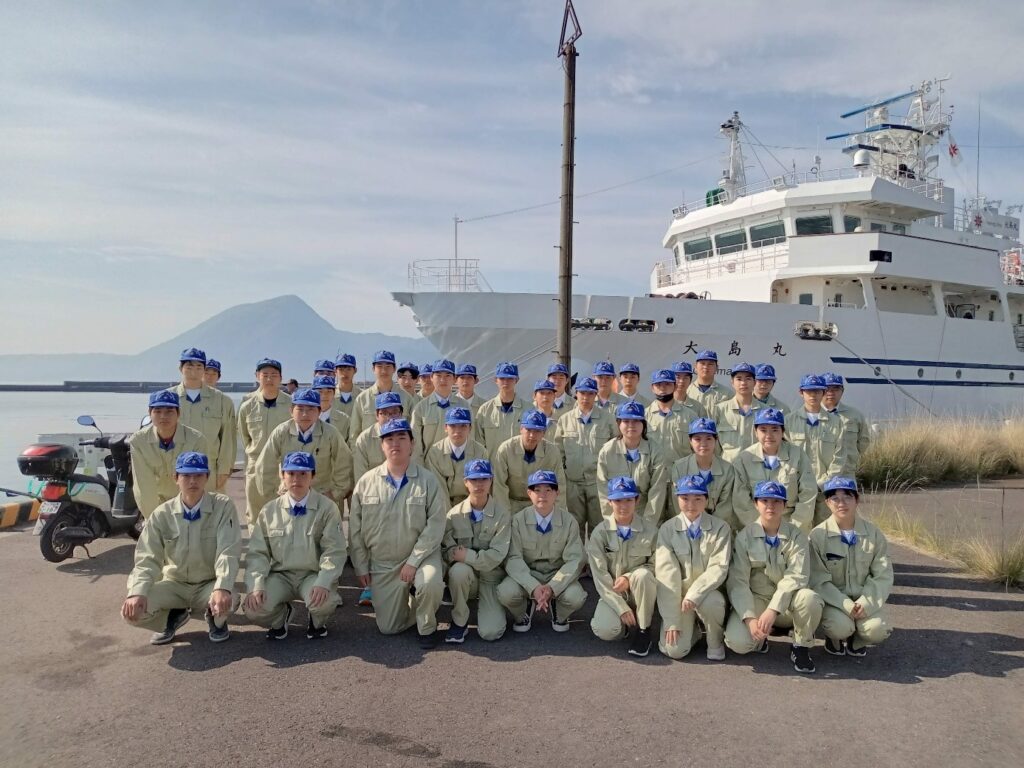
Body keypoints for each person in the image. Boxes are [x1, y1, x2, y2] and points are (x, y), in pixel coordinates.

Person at [121, 452, 240, 645]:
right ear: (175, 478)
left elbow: (228, 550)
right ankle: (171, 618)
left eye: (198, 475)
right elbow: (147, 558)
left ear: (207, 477)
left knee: (230, 598)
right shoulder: (161, 514)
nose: (192, 481)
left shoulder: (222, 506)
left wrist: (222, 587)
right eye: (186, 475)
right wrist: (137, 592)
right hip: (174, 585)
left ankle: (215, 618)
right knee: (132, 612)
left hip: (207, 585)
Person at [349, 419, 446, 648]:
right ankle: (414, 600)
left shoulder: (428, 480)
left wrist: (413, 562)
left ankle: (427, 626)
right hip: (384, 564)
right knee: (389, 628)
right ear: (382, 446)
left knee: (430, 582)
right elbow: (355, 530)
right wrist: (361, 566)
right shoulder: (366, 483)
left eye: (402, 438)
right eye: (389, 439)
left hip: (420, 558)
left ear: (412, 444)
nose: (395, 443)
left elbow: (436, 525)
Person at [243, 451, 347, 640]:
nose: (296, 479)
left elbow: (334, 551)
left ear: (312, 476)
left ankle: (317, 621)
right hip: (280, 576)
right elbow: (258, 553)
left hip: (312, 575)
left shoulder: (327, 508)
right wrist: (256, 585)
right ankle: (280, 618)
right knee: (254, 608)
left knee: (324, 602)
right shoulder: (269, 511)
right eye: (291, 473)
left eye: (303, 474)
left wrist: (324, 582)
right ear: (282, 475)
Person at [725, 480, 823, 674]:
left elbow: (797, 577)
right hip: (758, 599)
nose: (771, 506)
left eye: (777, 501)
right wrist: (749, 618)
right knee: (737, 642)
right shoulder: (745, 537)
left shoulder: (797, 536)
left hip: (788, 603)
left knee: (809, 598)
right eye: (765, 501)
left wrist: (773, 609)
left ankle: (801, 646)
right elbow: (738, 581)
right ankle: (760, 639)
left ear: (785, 505)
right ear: (756, 504)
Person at [809, 476, 893, 657]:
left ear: (857, 500)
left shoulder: (874, 534)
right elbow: (818, 580)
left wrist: (866, 603)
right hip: (835, 602)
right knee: (839, 627)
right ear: (827, 503)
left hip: (865, 599)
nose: (842, 503)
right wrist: (845, 604)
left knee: (878, 630)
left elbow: (883, 575)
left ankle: (858, 639)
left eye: (847, 497)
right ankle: (834, 639)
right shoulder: (817, 536)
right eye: (835, 498)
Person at [498, 470, 586, 634]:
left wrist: (553, 587)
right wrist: (533, 587)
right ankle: (523, 612)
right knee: (506, 592)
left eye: (548, 490)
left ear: (557, 493)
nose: (542, 495)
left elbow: (575, 560)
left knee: (575, 597)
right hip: (528, 575)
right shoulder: (517, 521)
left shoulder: (569, 521)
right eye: (537, 490)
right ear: (529, 493)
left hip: (556, 575)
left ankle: (559, 613)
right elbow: (513, 558)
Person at [656, 475, 732, 660]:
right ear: (677, 499)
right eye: (685, 498)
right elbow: (666, 575)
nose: (691, 504)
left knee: (712, 602)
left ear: (706, 500)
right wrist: (672, 620)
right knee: (674, 650)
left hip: (708, 593)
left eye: (698, 498)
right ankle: (694, 632)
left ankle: (715, 641)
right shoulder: (667, 529)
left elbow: (718, 568)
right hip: (680, 597)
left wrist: (694, 594)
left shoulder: (721, 528)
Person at [442, 459, 512, 643]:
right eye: (474, 479)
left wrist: (467, 556)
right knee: (458, 571)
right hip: (467, 578)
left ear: (491, 480)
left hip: (491, 578)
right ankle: (459, 621)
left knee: (491, 633)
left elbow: (497, 555)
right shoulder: (453, 515)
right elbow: (447, 549)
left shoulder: (502, 515)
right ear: (466, 482)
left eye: (484, 479)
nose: (479, 484)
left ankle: (491, 607)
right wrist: (454, 555)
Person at [587, 477, 658, 657]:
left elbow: (657, 565)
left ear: (637, 500)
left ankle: (644, 630)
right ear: (609, 502)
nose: (623, 505)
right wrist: (620, 607)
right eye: (618, 500)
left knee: (642, 575)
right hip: (614, 592)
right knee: (605, 630)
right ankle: (624, 625)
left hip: (642, 592)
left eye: (628, 500)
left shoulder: (651, 531)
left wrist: (629, 577)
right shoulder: (600, 533)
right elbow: (600, 576)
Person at [255, 388, 354, 505]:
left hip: (321, 496)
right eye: (300, 409)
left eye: (311, 409)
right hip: (289, 495)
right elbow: (264, 465)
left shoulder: (330, 433)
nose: (305, 414)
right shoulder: (281, 432)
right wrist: (273, 497)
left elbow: (345, 463)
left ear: (319, 412)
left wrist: (335, 493)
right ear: (291, 411)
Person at [732, 408, 817, 533]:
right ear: (755, 432)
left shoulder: (798, 455)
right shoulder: (743, 459)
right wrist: (759, 528)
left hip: (792, 522)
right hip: (755, 526)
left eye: (775, 430)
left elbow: (808, 494)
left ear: (783, 432)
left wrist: (792, 528)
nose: (769, 435)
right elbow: (741, 501)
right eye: (763, 430)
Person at [554, 376, 617, 539]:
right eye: (582, 393)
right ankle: (578, 555)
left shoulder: (607, 419)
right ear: (576, 394)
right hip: (573, 483)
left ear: (595, 395)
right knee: (575, 526)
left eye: (590, 393)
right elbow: (559, 451)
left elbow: (615, 448)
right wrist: (566, 472)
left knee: (599, 526)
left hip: (598, 482)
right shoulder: (565, 420)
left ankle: (597, 555)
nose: (585, 397)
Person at [129, 390, 208, 519]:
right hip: (155, 502)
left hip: (186, 502)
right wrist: (153, 518)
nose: (163, 416)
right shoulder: (138, 441)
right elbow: (144, 485)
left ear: (178, 413)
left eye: (169, 411)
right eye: (158, 411)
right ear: (150, 413)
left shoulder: (196, 440)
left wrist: (188, 514)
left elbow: (197, 482)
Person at [172, 347, 237, 492]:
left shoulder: (222, 400)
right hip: (175, 469)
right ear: (180, 368)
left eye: (198, 366)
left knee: (211, 505)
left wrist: (224, 470)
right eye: (189, 366)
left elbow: (228, 438)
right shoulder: (170, 398)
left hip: (209, 469)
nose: (194, 371)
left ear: (203, 369)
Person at [237, 358, 293, 525]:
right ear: (257, 376)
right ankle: (256, 542)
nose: (269, 379)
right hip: (255, 466)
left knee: (283, 514)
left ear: (281, 378)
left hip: (283, 466)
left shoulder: (291, 405)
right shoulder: (247, 406)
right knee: (255, 514)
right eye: (265, 375)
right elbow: (245, 437)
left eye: (274, 375)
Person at [787, 375, 847, 525]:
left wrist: (824, 482)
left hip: (825, 490)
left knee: (825, 529)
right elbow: (784, 454)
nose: (813, 395)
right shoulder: (789, 421)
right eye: (809, 391)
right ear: (801, 393)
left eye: (817, 391)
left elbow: (840, 457)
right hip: (797, 489)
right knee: (798, 528)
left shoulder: (836, 423)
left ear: (824, 393)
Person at [596, 401, 669, 524]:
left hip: (646, 512)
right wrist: (612, 522)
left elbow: (657, 490)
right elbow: (603, 489)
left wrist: (647, 524)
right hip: (617, 512)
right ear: (618, 424)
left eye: (636, 421)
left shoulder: (655, 450)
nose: (631, 425)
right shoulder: (607, 451)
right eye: (626, 421)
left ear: (643, 424)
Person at [669, 418, 740, 531]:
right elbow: (678, 504)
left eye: (708, 438)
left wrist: (709, 528)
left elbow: (725, 508)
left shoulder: (727, 469)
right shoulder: (679, 468)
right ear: (690, 441)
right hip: (686, 525)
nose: (703, 444)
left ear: (716, 440)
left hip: (717, 528)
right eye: (697, 439)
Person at [492, 410, 567, 512]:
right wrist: (504, 514)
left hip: (540, 504)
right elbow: (499, 486)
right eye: (528, 430)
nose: (532, 435)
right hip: (512, 503)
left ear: (544, 432)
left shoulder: (552, 452)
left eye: (537, 431)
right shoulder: (506, 449)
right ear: (521, 429)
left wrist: (556, 514)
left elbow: (559, 486)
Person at [424, 407, 488, 507]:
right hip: (442, 505)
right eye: (453, 426)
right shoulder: (435, 452)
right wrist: (450, 513)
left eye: (463, 426)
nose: (458, 431)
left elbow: (481, 488)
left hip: (472, 505)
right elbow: (438, 490)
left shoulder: (480, 452)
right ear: (446, 428)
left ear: (470, 428)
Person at [350, 350, 415, 438]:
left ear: (394, 369)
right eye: (379, 366)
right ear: (373, 369)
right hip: (370, 446)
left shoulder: (407, 399)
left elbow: (413, 433)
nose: (384, 371)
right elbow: (354, 435)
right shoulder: (362, 399)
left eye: (388, 366)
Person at [646, 368, 702, 464]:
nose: (663, 388)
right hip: (654, 471)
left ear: (675, 386)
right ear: (652, 388)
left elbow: (698, 447)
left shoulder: (690, 416)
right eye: (658, 384)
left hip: (682, 471)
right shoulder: (644, 416)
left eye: (667, 384)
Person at [475, 362, 529, 456]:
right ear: (496, 380)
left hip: (518, 464)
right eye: (502, 378)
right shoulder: (485, 410)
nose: (506, 382)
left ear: (516, 380)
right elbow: (478, 443)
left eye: (510, 378)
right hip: (493, 464)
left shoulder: (528, 410)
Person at [822, 373, 871, 475]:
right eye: (827, 389)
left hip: (846, 472)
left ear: (842, 391)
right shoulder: (811, 416)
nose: (831, 392)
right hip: (819, 475)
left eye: (836, 389)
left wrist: (851, 458)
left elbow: (864, 442)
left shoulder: (855, 415)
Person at [410, 359, 458, 460]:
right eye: (438, 375)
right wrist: (420, 467)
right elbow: (415, 445)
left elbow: (470, 441)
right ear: (432, 377)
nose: (443, 380)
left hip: (457, 465)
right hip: (429, 466)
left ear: (454, 379)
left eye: (447, 376)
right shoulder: (420, 408)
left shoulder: (464, 407)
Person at [710, 362, 759, 460]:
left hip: (755, 465)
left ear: (754, 382)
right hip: (727, 465)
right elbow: (712, 441)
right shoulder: (720, 410)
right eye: (739, 379)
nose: (743, 383)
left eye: (748, 379)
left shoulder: (765, 411)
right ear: (732, 382)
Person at [352, 392, 405, 481]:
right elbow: (361, 478)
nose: (390, 417)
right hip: (374, 487)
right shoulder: (364, 440)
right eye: (384, 413)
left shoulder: (410, 437)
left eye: (394, 412)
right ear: (377, 415)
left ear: (401, 414)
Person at [312, 375, 353, 445]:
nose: (324, 395)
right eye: (320, 392)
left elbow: (350, 444)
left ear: (334, 394)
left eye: (329, 391)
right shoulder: (304, 418)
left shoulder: (344, 419)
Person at [333, 353, 361, 422]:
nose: (345, 373)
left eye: (349, 369)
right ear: (335, 371)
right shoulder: (329, 396)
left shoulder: (362, 396)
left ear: (355, 370)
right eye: (341, 369)